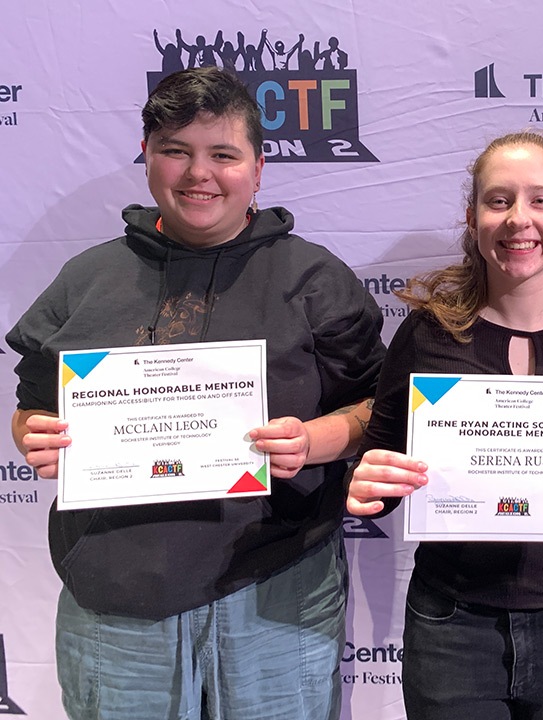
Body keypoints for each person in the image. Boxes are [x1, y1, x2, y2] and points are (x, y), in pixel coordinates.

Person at [7, 66, 386, 720]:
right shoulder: (85, 279)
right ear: (148, 156)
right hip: (114, 599)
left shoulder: (314, 277)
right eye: (175, 151)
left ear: (259, 169)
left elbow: (378, 406)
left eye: (222, 155)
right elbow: (33, 405)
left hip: (275, 589)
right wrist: (32, 433)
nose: (197, 173)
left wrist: (312, 439)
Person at [347, 130, 543, 719]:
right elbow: (380, 485)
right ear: (473, 220)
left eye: (539, 200)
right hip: (452, 626)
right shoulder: (427, 336)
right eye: (499, 200)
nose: (518, 218)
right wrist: (368, 486)